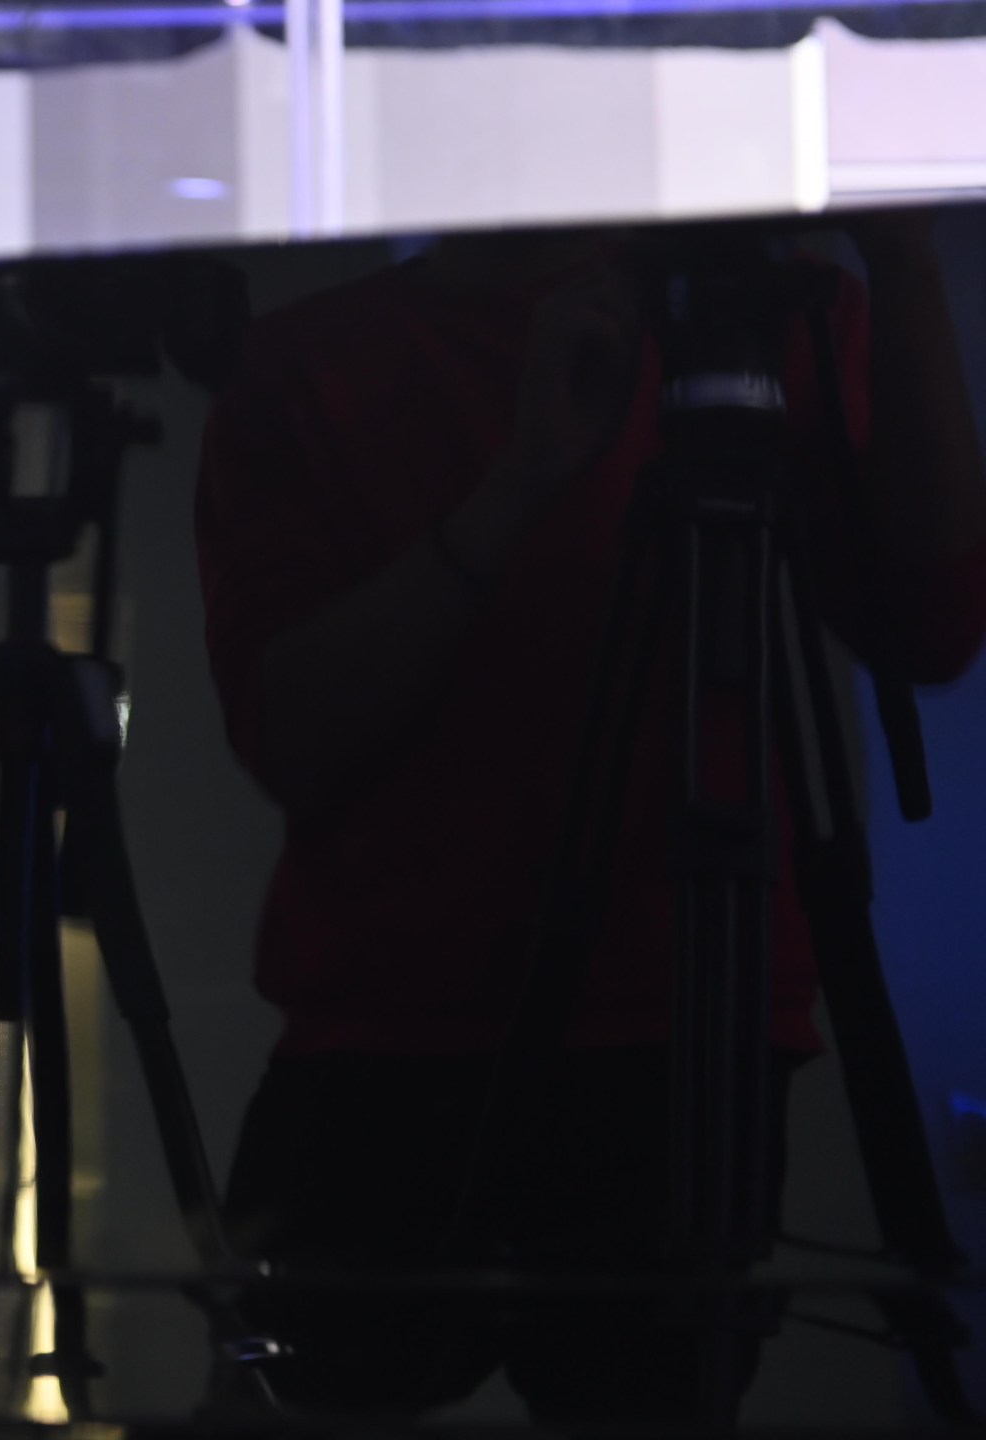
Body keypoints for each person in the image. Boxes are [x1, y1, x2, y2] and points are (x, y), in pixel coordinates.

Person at [193, 217, 986, 1423]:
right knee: (320, 1393)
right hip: (401, 1038)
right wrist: (522, 478)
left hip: (670, 1019)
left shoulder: (772, 318)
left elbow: (930, 622)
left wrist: (904, 264)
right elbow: (292, 734)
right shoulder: (310, 365)